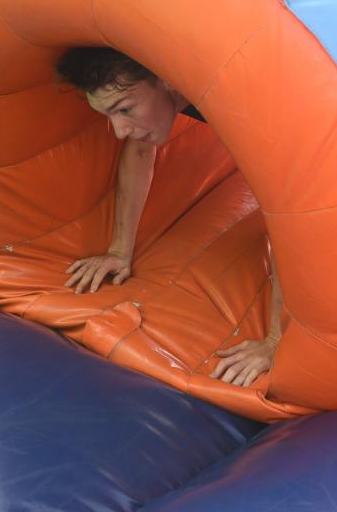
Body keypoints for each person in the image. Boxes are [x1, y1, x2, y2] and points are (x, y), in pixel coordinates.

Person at [55, 46, 281, 388]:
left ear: (166, 78)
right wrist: (119, 251)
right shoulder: (167, 94)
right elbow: (140, 151)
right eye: (110, 116)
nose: (119, 130)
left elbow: (287, 213)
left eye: (125, 109)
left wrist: (275, 340)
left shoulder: (238, 100)